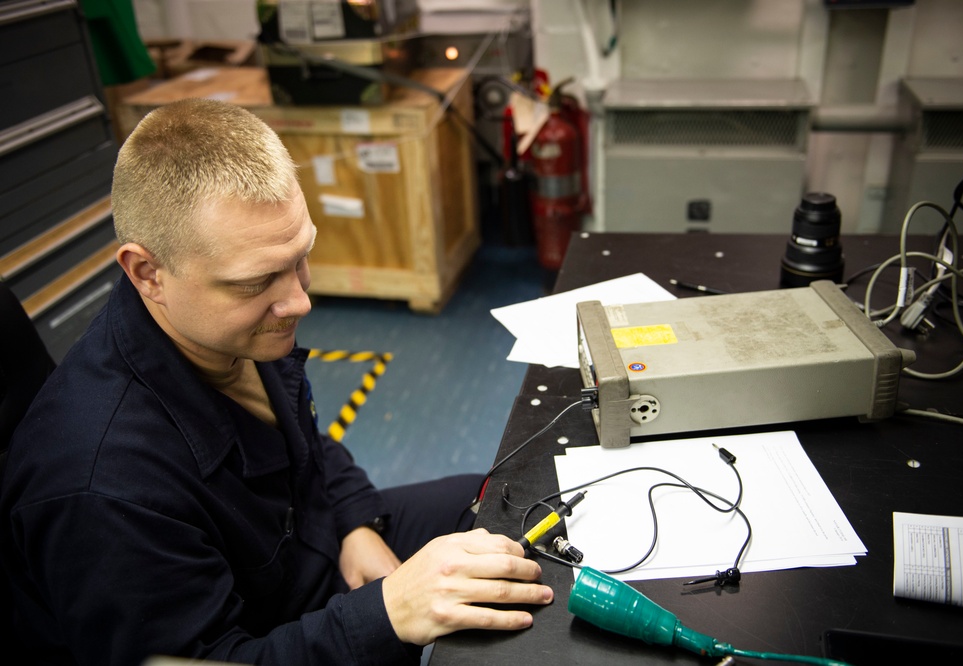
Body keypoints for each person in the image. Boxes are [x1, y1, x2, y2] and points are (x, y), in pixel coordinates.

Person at [0, 98, 552, 665]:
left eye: (301, 256)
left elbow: (305, 448)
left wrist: (354, 520)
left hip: (305, 546)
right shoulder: (103, 490)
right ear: (147, 273)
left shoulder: (225, 330)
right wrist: (384, 614)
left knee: (497, 512)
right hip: (258, 631)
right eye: (256, 281)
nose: (299, 300)